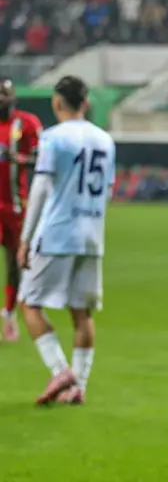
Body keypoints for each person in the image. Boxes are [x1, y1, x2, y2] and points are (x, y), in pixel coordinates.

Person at [17, 76, 116, 405]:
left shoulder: (53, 138)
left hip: (58, 232)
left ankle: (61, 371)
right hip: (92, 234)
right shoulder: (105, 140)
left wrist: (25, 239)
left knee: (29, 303)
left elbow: (41, 189)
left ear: (57, 102)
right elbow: (108, 191)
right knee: (81, 312)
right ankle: (79, 387)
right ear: (85, 103)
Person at [0, 76, 42, 342]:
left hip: (15, 205)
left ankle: (9, 313)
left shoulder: (27, 123)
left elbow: (42, 157)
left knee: (15, 263)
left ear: (13, 96)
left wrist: (19, 159)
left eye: (4, 93)